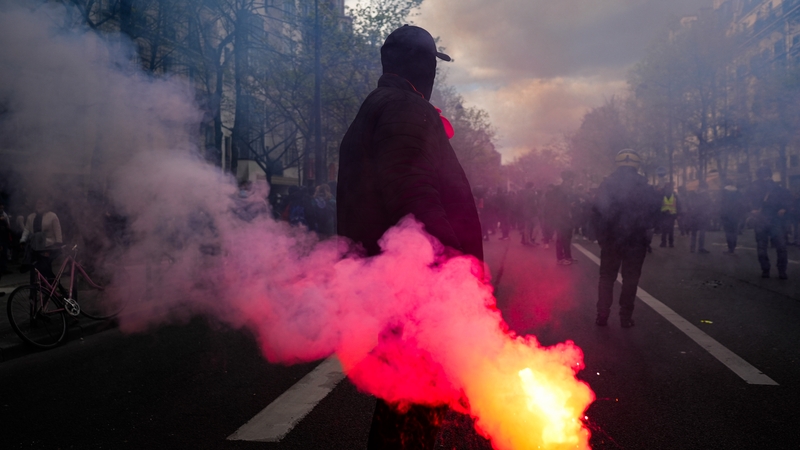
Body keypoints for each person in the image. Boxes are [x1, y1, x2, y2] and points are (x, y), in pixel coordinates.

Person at [336, 25, 484, 449]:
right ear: (422, 66)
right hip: (417, 287)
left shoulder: (380, 107)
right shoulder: (405, 109)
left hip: (393, 281)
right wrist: (457, 268)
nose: (435, 77)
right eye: (433, 66)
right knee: (417, 403)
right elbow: (413, 195)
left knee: (402, 402)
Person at [591, 149, 661, 328]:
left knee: (606, 277)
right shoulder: (645, 187)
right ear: (636, 165)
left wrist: (600, 236)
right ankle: (625, 317)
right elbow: (654, 212)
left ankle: (602, 314)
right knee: (630, 279)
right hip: (636, 241)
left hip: (611, 239)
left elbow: (596, 211)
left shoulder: (606, 185)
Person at [747, 166, 791, 279]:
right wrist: (783, 208)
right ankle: (781, 271)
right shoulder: (776, 187)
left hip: (762, 219)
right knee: (780, 247)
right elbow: (786, 198)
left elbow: (746, 201)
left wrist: (752, 210)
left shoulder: (753, 187)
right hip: (774, 219)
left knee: (762, 247)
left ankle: (766, 270)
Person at [20, 199, 63, 286]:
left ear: (46, 205)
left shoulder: (52, 216)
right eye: (37, 203)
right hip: (35, 246)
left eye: (41, 203)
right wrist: (23, 240)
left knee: (44, 267)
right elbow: (27, 229)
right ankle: (36, 291)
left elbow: (57, 230)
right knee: (35, 269)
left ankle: (52, 286)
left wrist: (59, 242)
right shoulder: (31, 217)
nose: (38, 205)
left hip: (48, 246)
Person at [545, 170, 577, 265]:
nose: (572, 181)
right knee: (561, 237)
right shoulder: (559, 189)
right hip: (560, 217)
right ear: (567, 179)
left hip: (568, 217)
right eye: (571, 179)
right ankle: (560, 258)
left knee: (567, 237)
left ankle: (568, 256)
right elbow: (557, 204)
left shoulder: (568, 189)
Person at [719, 180, 745, 254]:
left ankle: (730, 248)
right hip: (736, 215)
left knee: (728, 232)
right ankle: (733, 246)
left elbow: (721, 204)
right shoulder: (738, 193)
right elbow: (741, 204)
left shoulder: (723, 192)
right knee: (734, 231)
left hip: (726, 215)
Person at [685, 182, 712, 254]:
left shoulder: (692, 194)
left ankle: (692, 248)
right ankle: (701, 248)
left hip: (693, 216)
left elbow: (688, 204)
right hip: (702, 216)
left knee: (693, 233)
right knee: (702, 233)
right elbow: (709, 206)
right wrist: (708, 214)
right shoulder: (706, 195)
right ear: (705, 188)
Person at [658, 182, 680, 248]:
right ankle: (670, 243)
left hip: (664, 214)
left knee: (664, 230)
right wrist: (678, 214)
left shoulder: (661, 195)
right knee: (670, 230)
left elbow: (658, 204)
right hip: (671, 214)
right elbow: (678, 205)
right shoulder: (675, 196)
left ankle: (664, 243)